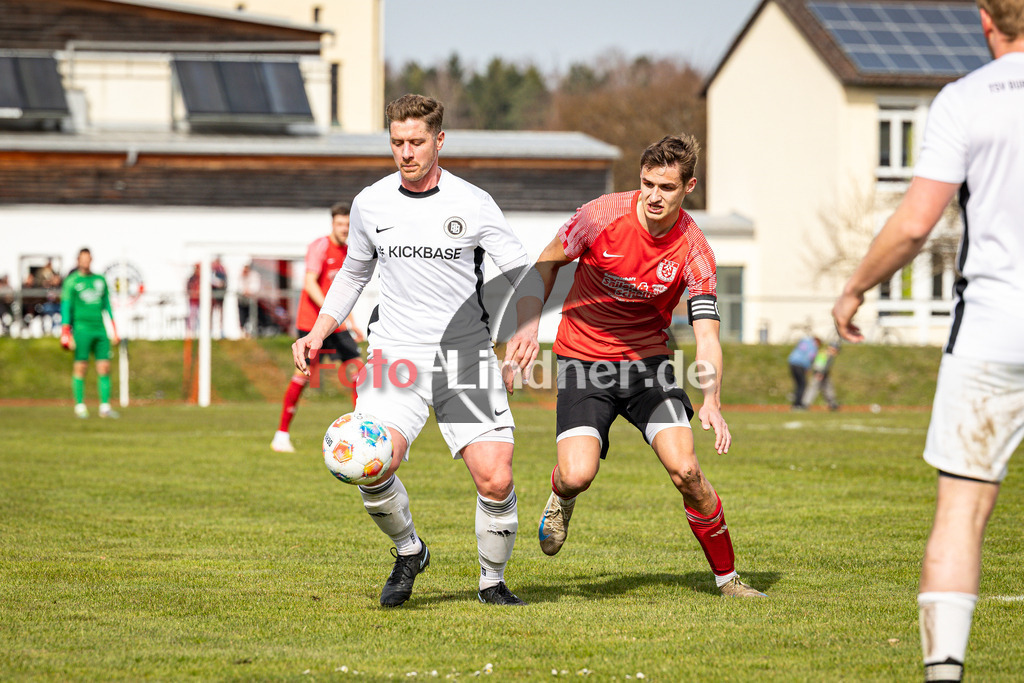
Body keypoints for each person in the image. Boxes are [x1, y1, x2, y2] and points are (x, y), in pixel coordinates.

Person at [833, 3, 1024, 680]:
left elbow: (916, 223)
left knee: (962, 511)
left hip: (994, 331)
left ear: (984, 20)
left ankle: (945, 673)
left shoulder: (963, 100)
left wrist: (855, 288)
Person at [292, 94, 541, 607]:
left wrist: (528, 327)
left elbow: (522, 270)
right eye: (397, 142)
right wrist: (319, 331)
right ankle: (409, 551)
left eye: (416, 142)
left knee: (496, 477)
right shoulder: (370, 202)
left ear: (439, 141)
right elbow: (354, 274)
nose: (406, 152)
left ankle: (491, 582)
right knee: (369, 462)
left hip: (464, 354)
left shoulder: (472, 202)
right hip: (395, 353)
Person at [529, 133, 764, 598]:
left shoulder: (694, 250)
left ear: (688, 186)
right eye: (647, 184)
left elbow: (707, 334)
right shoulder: (601, 216)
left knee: (688, 472)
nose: (654, 196)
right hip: (583, 357)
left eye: (667, 187)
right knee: (578, 474)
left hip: (648, 366)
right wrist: (524, 323)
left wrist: (711, 398)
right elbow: (546, 261)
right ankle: (561, 495)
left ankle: (728, 580)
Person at [272, 202, 366, 453]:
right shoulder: (320, 246)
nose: (344, 228)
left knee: (357, 374)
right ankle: (281, 435)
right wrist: (333, 314)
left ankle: (359, 433)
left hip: (337, 324)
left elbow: (345, 292)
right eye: (340, 224)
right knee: (303, 377)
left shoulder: (349, 251)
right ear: (332, 224)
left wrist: (351, 322)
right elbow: (310, 284)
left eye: (348, 224)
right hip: (311, 324)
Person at [60, 248, 120, 419]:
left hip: (99, 329)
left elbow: (107, 305)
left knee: (104, 367)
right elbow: (66, 307)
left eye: (88, 258)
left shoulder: (100, 280)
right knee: (81, 367)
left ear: (91, 259)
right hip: (81, 329)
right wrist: (66, 332)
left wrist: (115, 330)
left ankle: (105, 408)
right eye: (82, 259)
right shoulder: (72, 281)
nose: (85, 262)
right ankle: (80, 406)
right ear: (78, 260)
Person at [802, 341, 840, 411]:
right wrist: (819, 373)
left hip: (825, 374)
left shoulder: (830, 355)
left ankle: (832, 403)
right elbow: (818, 364)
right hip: (818, 374)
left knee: (828, 388)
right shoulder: (823, 353)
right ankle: (805, 404)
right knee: (813, 388)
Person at [787, 335, 820, 410]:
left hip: (792, 362)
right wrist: (808, 368)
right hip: (800, 365)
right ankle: (798, 404)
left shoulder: (805, 341)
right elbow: (810, 357)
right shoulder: (813, 346)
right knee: (802, 384)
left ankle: (796, 402)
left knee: (798, 384)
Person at [237, 263, 262, 338]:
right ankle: (243, 333)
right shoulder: (240, 275)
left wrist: (249, 291)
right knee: (242, 317)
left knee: (252, 317)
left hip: (251, 301)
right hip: (242, 300)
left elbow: (256, 287)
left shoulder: (254, 276)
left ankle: (252, 332)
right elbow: (238, 286)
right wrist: (244, 291)